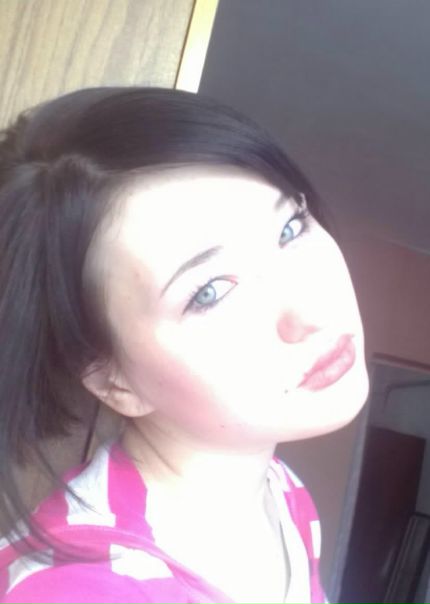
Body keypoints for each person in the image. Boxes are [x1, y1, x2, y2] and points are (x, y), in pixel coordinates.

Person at [0, 87, 369, 604]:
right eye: (210, 292)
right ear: (112, 380)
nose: (312, 313)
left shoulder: (281, 493)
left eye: (290, 228)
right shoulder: (79, 592)